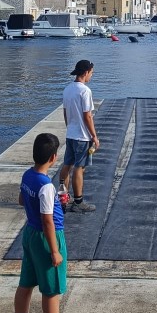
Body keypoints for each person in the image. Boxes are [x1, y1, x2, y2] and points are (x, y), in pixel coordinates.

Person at [11, 132, 72, 313]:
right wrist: (55, 251)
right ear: (53, 158)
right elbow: (48, 221)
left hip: (30, 234)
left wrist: (53, 200)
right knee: (51, 289)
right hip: (47, 238)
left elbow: (22, 200)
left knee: (26, 283)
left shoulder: (27, 175)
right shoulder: (46, 186)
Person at [58, 59, 100, 213]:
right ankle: (78, 201)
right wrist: (94, 136)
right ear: (85, 72)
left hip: (71, 134)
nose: (91, 76)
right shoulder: (85, 91)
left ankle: (62, 198)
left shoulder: (67, 89)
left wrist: (69, 127)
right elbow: (87, 116)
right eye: (91, 73)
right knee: (79, 167)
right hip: (82, 136)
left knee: (67, 165)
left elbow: (65, 112)